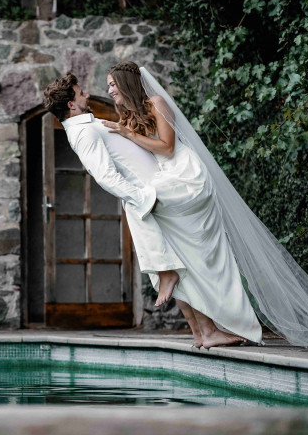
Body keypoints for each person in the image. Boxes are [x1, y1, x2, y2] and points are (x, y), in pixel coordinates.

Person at [99, 61, 308, 350]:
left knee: (137, 202)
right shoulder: (129, 117)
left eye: (112, 84)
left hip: (186, 176)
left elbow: (167, 148)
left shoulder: (156, 103)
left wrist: (129, 135)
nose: (109, 90)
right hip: (166, 178)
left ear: (126, 83)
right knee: (176, 245)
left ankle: (175, 281)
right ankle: (203, 325)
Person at [43, 72, 259, 348]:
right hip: (154, 193)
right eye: (80, 92)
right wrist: (144, 199)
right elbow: (105, 176)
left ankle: (202, 331)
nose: (87, 93)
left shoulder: (89, 124)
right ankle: (202, 327)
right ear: (71, 104)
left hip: (161, 186)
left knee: (179, 259)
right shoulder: (83, 132)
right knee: (180, 257)